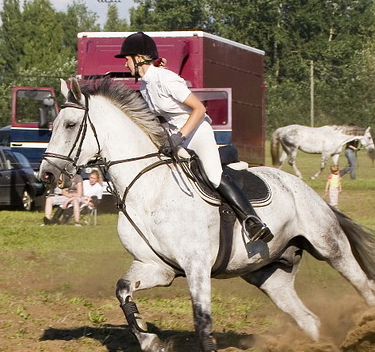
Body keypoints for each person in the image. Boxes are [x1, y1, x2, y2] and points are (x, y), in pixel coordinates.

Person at [115, 31, 272, 243]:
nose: (125, 65)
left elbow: (198, 108)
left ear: (139, 58)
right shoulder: (145, 85)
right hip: (175, 136)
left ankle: (252, 221)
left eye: (126, 59)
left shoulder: (166, 79)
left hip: (196, 131)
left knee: (214, 176)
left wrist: (180, 136)